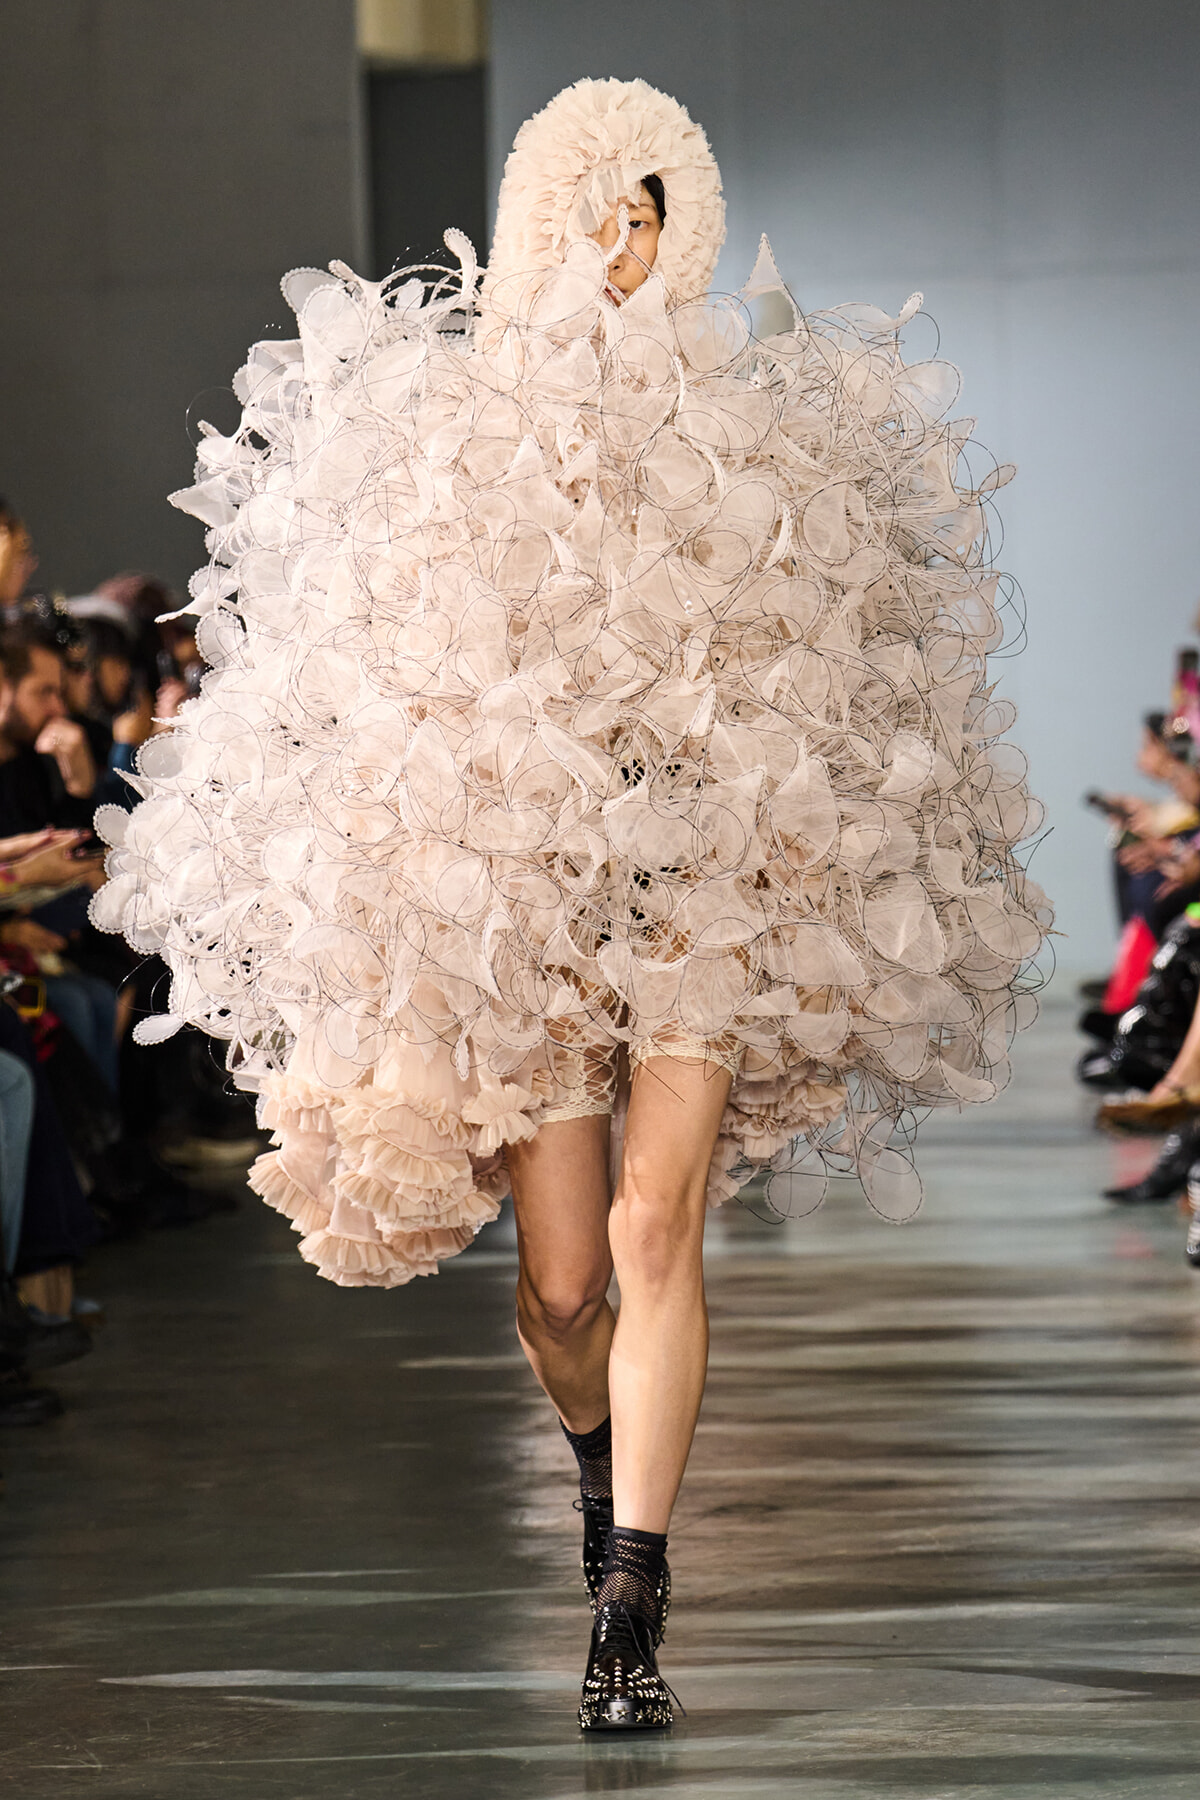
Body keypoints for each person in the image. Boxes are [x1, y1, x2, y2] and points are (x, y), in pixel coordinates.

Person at [96, 77, 1051, 1730]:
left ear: (683, 232)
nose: (618, 247)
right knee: (560, 1290)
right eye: (592, 215)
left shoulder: (754, 434)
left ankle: (633, 1599)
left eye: (648, 218)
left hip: (696, 883)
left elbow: (820, 673)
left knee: (650, 1228)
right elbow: (389, 673)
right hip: (531, 901)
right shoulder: (459, 433)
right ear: (542, 220)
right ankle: (604, 1474)